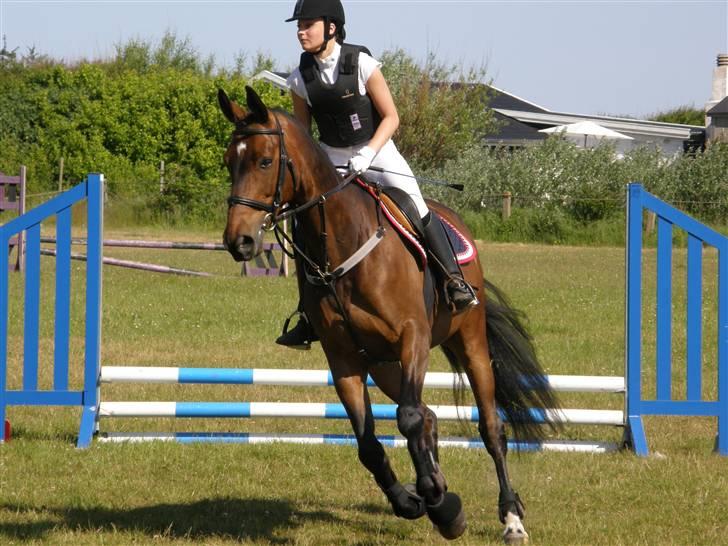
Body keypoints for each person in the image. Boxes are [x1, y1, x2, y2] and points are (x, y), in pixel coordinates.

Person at [276, 0, 477, 349]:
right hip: (333, 160)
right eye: (299, 25)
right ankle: (308, 312)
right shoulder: (299, 79)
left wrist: (368, 154)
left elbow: (392, 117)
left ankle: (454, 282)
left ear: (332, 27)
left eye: (308, 24)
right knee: (304, 223)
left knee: (416, 206)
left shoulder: (361, 64)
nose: (301, 30)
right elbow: (305, 136)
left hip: (379, 151)